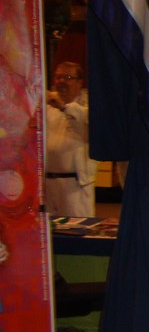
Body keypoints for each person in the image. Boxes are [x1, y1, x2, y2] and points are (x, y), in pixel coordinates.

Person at [44, 61, 96, 217]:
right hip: (48, 184)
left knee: (78, 229)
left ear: (79, 82)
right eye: (58, 77)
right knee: (51, 230)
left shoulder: (89, 106)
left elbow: (85, 119)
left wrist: (63, 106)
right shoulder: (47, 107)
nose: (61, 81)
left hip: (75, 186)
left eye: (67, 77)